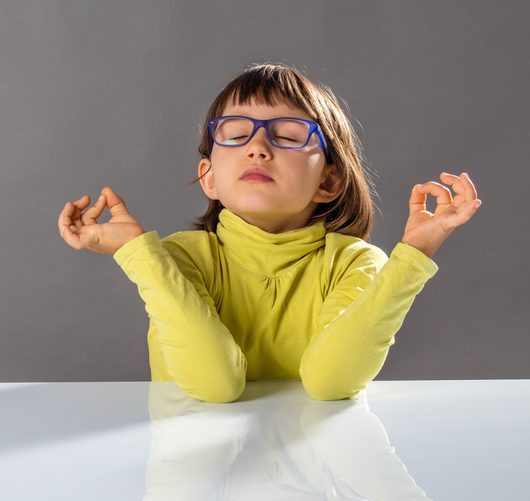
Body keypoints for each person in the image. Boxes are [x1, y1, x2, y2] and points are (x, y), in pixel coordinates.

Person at [57, 63, 482, 403]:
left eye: (288, 136)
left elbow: (330, 383)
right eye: (237, 134)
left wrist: (415, 252)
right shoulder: (176, 259)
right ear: (209, 177)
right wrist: (138, 253)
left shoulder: (355, 262)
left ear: (329, 182)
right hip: (199, 488)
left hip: (322, 481)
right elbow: (214, 387)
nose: (257, 147)